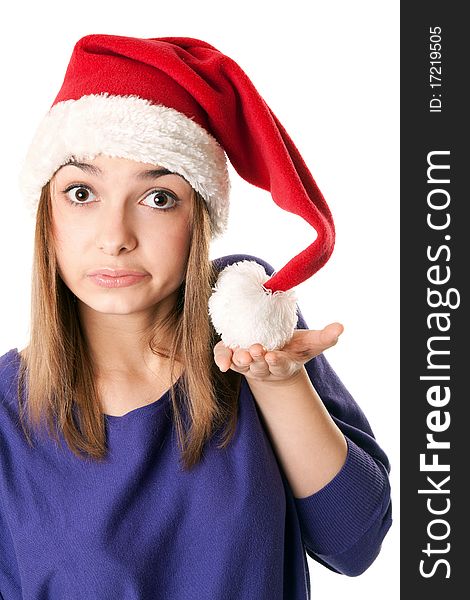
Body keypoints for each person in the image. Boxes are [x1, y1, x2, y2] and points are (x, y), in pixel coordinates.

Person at [0, 34, 392, 599]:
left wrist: (280, 384)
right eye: (82, 193)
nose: (115, 239)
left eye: (158, 197)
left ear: (199, 217)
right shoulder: (8, 414)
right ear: (47, 214)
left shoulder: (247, 326)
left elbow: (355, 544)